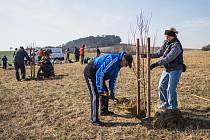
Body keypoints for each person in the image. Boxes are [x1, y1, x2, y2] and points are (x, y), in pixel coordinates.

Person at [84, 51, 133, 126]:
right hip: (91, 72)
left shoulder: (118, 66)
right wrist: (100, 89)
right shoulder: (113, 60)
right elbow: (100, 73)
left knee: (105, 92)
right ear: (124, 59)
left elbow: (113, 80)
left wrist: (112, 93)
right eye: (126, 64)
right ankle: (94, 119)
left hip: (99, 75)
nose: (125, 66)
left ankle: (104, 111)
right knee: (95, 95)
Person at [141, 27, 184, 110]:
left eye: (168, 36)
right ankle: (164, 104)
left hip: (175, 69)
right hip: (167, 69)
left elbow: (169, 58)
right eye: (165, 36)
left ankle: (172, 107)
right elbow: (158, 53)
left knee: (170, 89)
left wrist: (156, 64)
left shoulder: (176, 45)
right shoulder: (166, 43)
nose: (166, 38)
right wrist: (147, 55)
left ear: (173, 36)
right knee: (161, 86)